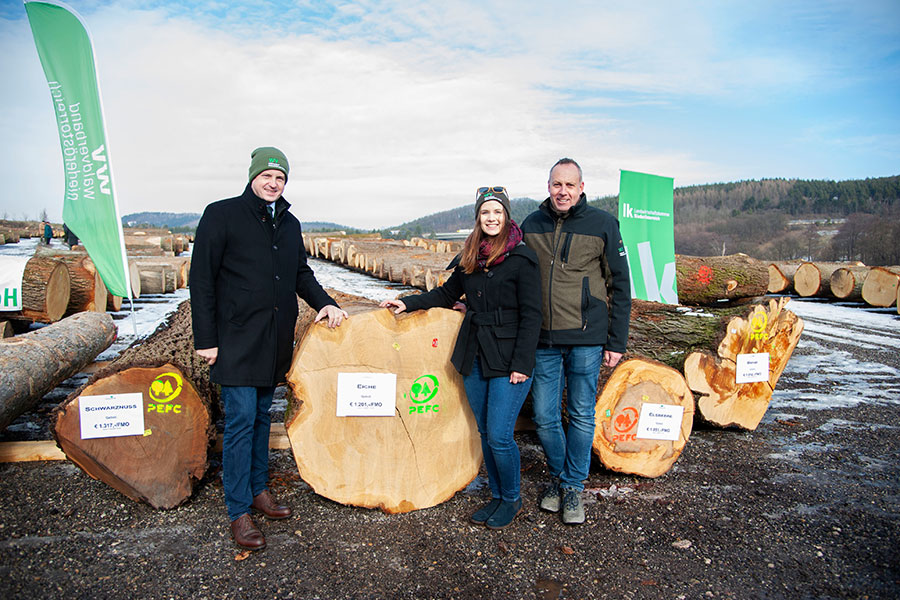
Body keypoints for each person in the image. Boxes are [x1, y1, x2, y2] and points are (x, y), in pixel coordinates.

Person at [190, 146, 349, 551]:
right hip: (236, 339)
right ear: (253, 176)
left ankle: (258, 489)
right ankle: (238, 511)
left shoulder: (290, 223)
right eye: (267, 176)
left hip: (274, 338)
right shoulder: (222, 214)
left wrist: (325, 302)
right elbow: (202, 280)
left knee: (262, 416)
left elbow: (300, 273)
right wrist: (206, 339)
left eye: (280, 178)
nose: (274, 182)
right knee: (242, 420)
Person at [380, 187, 541, 529]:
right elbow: (446, 293)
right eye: (486, 213)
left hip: (510, 356)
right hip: (477, 351)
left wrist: (522, 364)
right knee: (484, 430)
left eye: (497, 212)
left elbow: (532, 315)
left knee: (500, 434)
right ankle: (497, 495)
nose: (492, 218)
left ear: (506, 215)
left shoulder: (522, 259)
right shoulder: (470, 257)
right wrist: (407, 302)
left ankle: (511, 498)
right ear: (478, 217)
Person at [521, 158, 631, 525]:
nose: (562, 191)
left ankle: (571, 487)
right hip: (542, 338)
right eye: (556, 184)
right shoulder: (531, 225)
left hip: (586, 337)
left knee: (582, 413)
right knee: (544, 415)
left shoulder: (602, 224)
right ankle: (558, 474)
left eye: (570, 185)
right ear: (548, 186)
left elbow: (620, 285)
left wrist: (616, 341)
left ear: (582, 187)